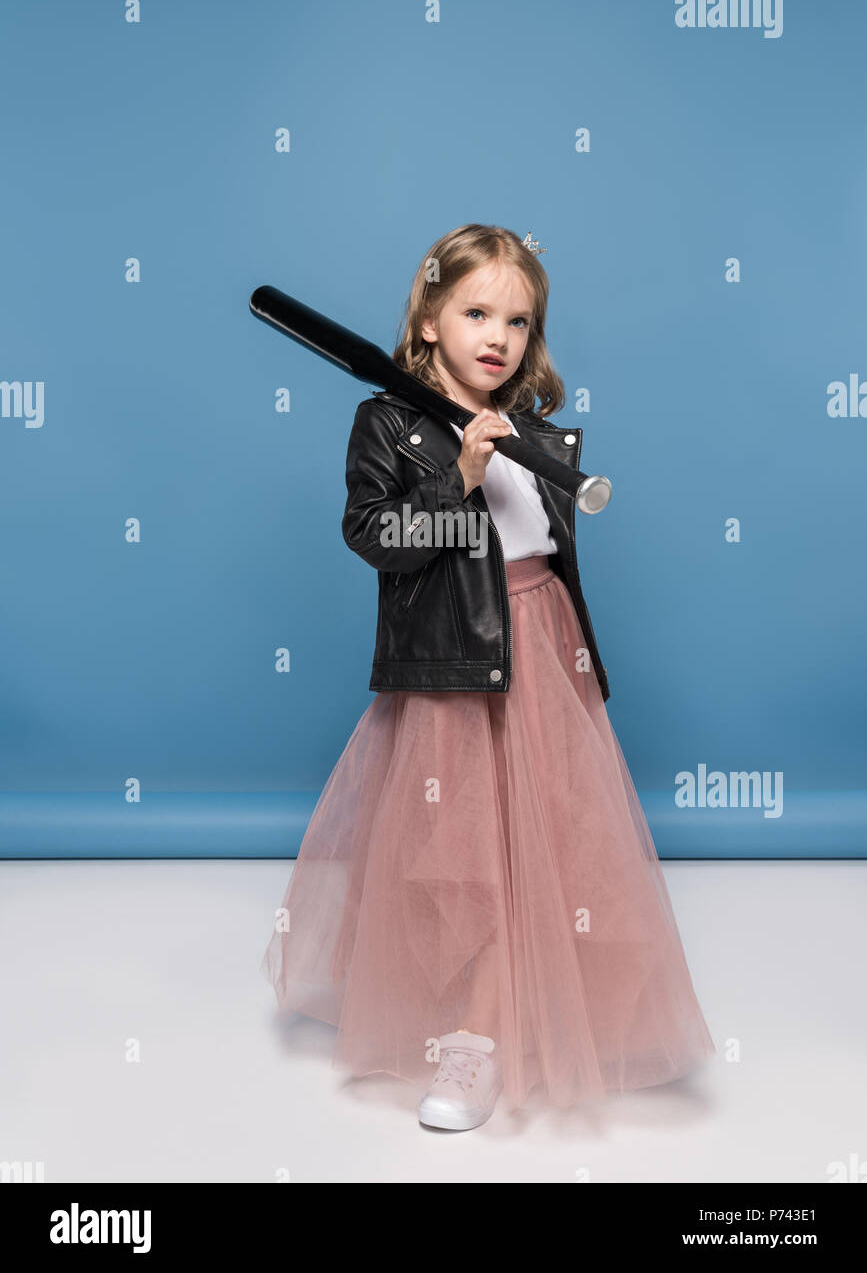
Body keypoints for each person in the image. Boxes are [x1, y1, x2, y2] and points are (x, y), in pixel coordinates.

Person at [260, 223, 715, 1130]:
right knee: (461, 862)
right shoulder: (389, 422)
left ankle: (527, 1019)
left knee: (553, 850)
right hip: (455, 664)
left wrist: (520, 461)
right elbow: (381, 543)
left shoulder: (534, 431)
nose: (496, 335)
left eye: (516, 318)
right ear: (429, 320)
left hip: (544, 655)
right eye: (474, 311)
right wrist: (456, 481)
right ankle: (466, 1043)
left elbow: (545, 554)